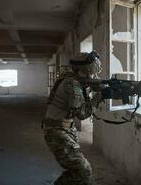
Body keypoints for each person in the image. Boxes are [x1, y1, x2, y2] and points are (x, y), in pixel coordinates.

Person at [42, 51, 103, 185]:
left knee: (76, 171)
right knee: (83, 170)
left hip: (66, 128)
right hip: (56, 131)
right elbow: (81, 114)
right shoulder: (72, 84)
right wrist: (99, 97)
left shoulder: (73, 80)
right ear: (84, 70)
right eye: (92, 72)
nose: (94, 75)